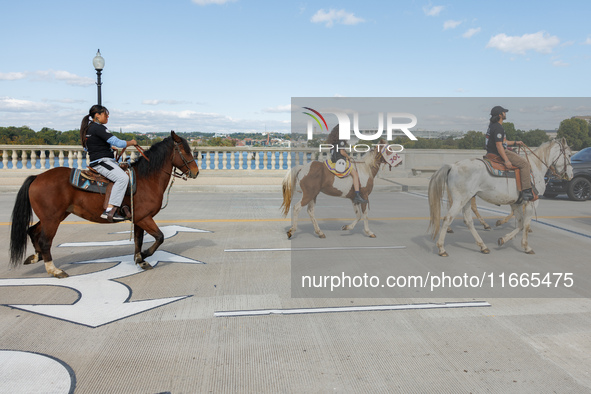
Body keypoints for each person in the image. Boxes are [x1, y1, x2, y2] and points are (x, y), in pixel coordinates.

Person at [80, 105, 138, 222]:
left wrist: (107, 147)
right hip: (101, 162)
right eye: (105, 114)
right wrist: (131, 142)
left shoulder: (90, 128)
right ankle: (110, 210)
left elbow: (88, 147)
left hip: (101, 160)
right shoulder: (98, 128)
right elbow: (118, 142)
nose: (107, 116)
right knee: (122, 179)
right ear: (97, 115)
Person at [485, 105, 534, 201]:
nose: (505, 113)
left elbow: (503, 141)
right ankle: (526, 191)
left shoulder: (492, 126)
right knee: (525, 164)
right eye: (504, 112)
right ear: (500, 115)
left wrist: (516, 142)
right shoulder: (499, 128)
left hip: (490, 152)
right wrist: (507, 161)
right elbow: (499, 146)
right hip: (499, 153)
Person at [326, 125, 368, 204]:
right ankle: (357, 195)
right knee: (355, 175)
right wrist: (348, 157)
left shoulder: (333, 141)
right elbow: (342, 152)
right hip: (340, 161)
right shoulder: (341, 141)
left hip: (333, 162)